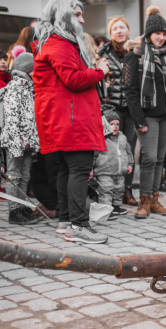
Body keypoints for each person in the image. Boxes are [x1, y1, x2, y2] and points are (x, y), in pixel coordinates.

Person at [33, 0, 110, 244]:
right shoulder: (60, 44)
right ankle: (78, 226)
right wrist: (100, 71)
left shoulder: (55, 43)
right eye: (77, 15)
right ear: (63, 18)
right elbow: (73, 79)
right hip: (71, 120)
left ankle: (66, 220)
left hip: (66, 119)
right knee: (78, 170)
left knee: (67, 171)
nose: (83, 20)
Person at [124, 6, 166, 219]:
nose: (161, 37)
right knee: (148, 158)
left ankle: (155, 199)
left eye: (164, 33)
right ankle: (144, 201)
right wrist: (139, 119)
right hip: (147, 115)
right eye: (158, 33)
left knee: (160, 158)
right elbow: (130, 91)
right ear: (149, 33)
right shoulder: (136, 56)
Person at [98, 15, 138, 206]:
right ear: (110, 33)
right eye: (116, 28)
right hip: (111, 110)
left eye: (123, 27)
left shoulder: (137, 52)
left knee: (128, 147)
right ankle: (107, 189)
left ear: (129, 31)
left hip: (131, 110)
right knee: (110, 150)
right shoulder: (104, 53)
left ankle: (126, 190)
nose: (120, 31)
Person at [0, 52, 41, 225]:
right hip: (15, 141)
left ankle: (23, 207)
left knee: (25, 175)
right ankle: (14, 212)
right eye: (35, 70)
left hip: (27, 141)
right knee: (14, 175)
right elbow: (11, 118)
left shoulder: (30, 88)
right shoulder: (15, 88)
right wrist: (16, 144)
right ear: (27, 70)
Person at [92, 109, 133, 218]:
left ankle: (116, 207)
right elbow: (94, 155)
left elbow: (128, 152)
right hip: (104, 171)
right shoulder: (101, 139)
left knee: (119, 189)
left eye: (117, 124)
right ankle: (105, 210)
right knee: (106, 189)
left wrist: (130, 164)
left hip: (119, 171)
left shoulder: (122, 138)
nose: (115, 126)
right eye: (112, 124)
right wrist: (91, 168)